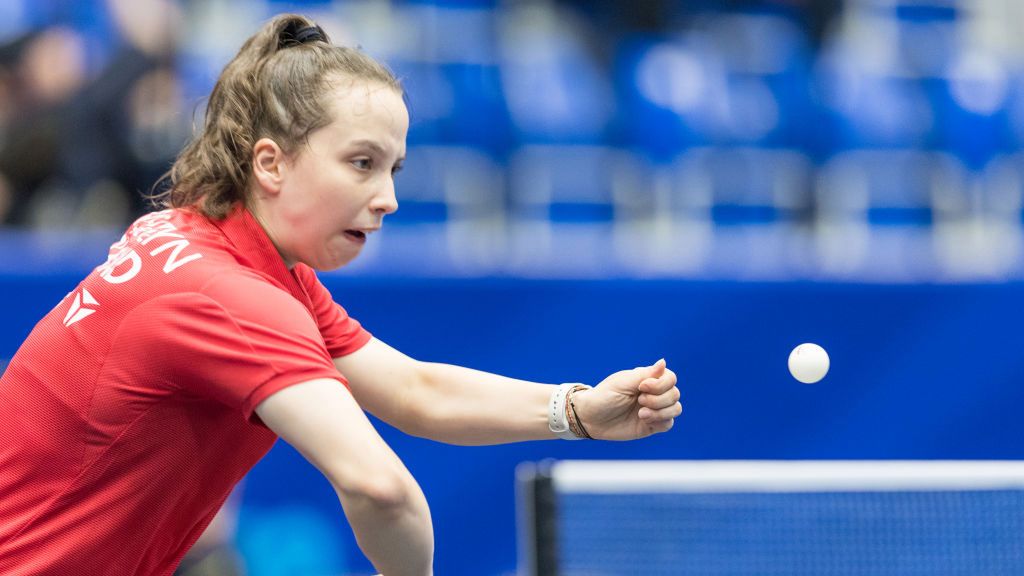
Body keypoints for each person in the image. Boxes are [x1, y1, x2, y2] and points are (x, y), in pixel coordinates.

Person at [0, 14, 681, 576]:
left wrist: (580, 411)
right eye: (361, 163)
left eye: (394, 169)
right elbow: (381, 488)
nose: (385, 199)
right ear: (270, 162)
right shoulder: (228, 296)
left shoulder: (209, 244)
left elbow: (414, 391)